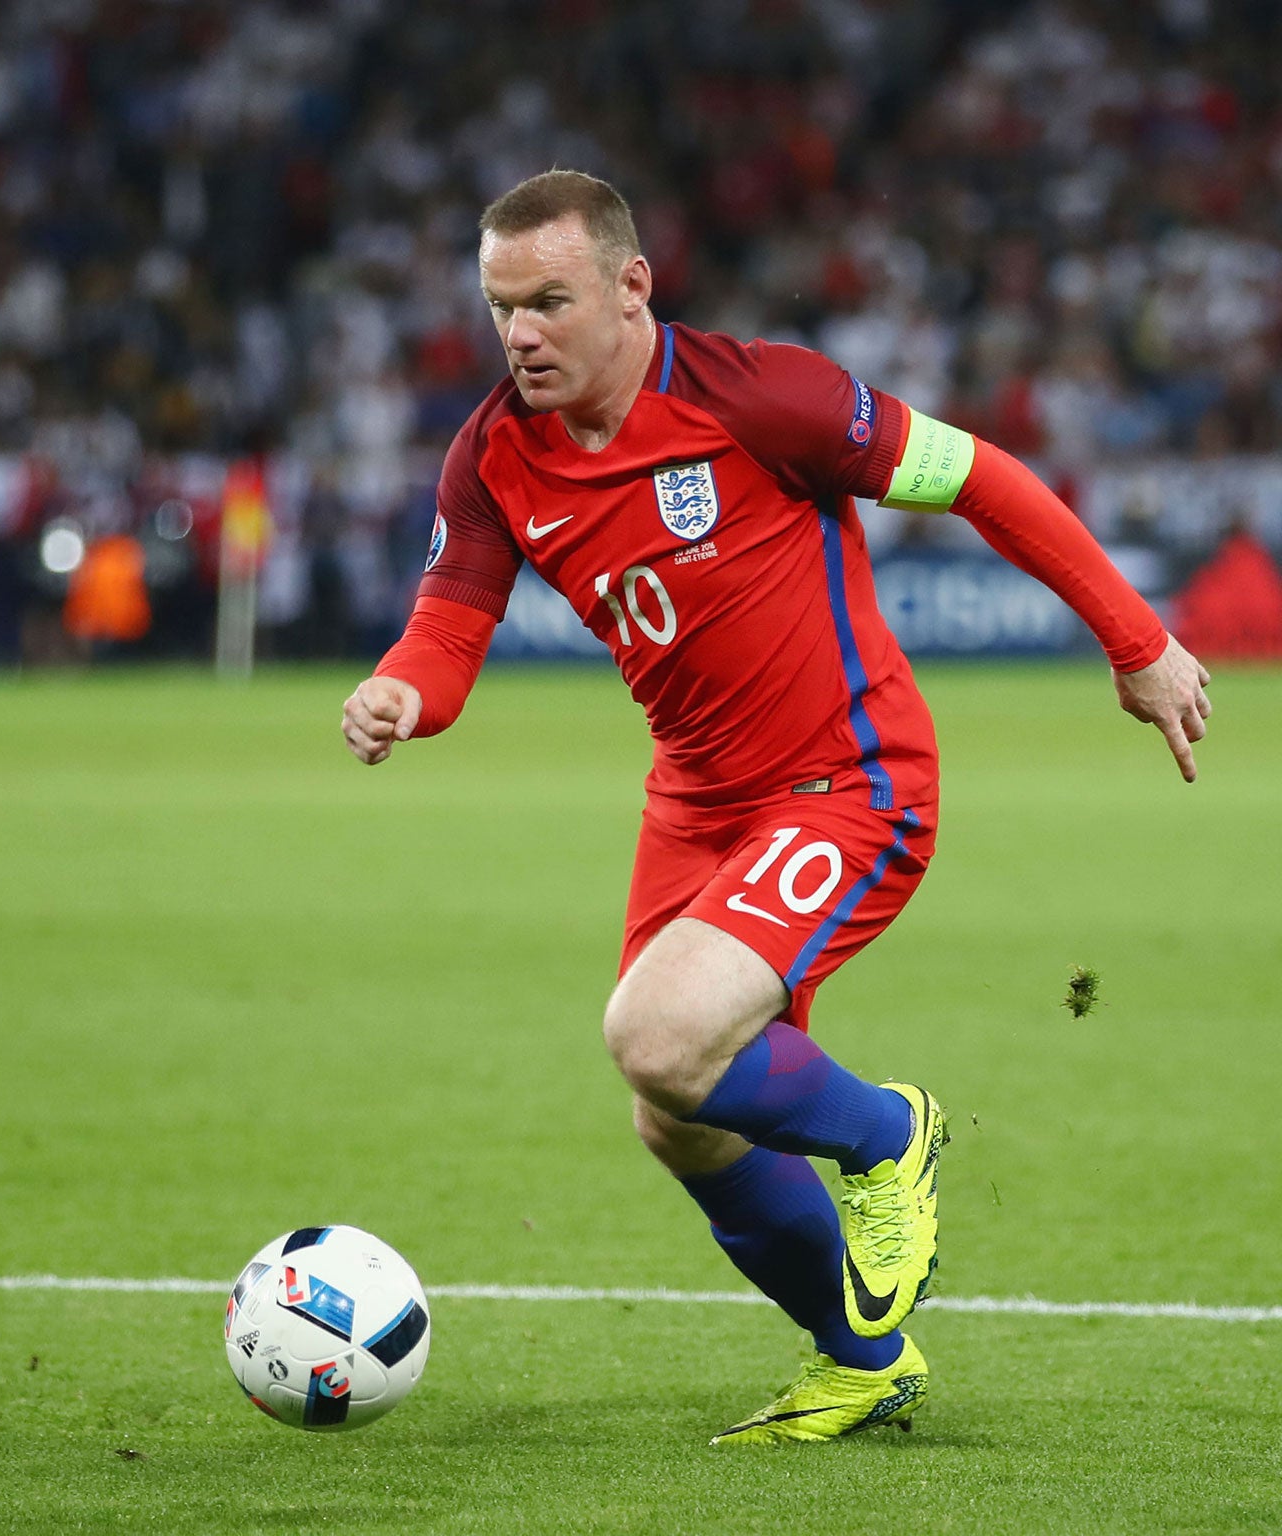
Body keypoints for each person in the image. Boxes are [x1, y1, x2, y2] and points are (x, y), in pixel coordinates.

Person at [339, 172, 1211, 1446]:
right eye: (497, 308)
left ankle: (883, 1135)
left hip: (845, 785)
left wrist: (1134, 642)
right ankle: (860, 1359)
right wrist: (397, 696)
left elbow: (982, 479)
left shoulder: (763, 396)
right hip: (694, 805)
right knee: (674, 1113)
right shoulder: (489, 456)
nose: (518, 334)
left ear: (632, 288)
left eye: (547, 302)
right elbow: (449, 624)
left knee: (653, 1035)